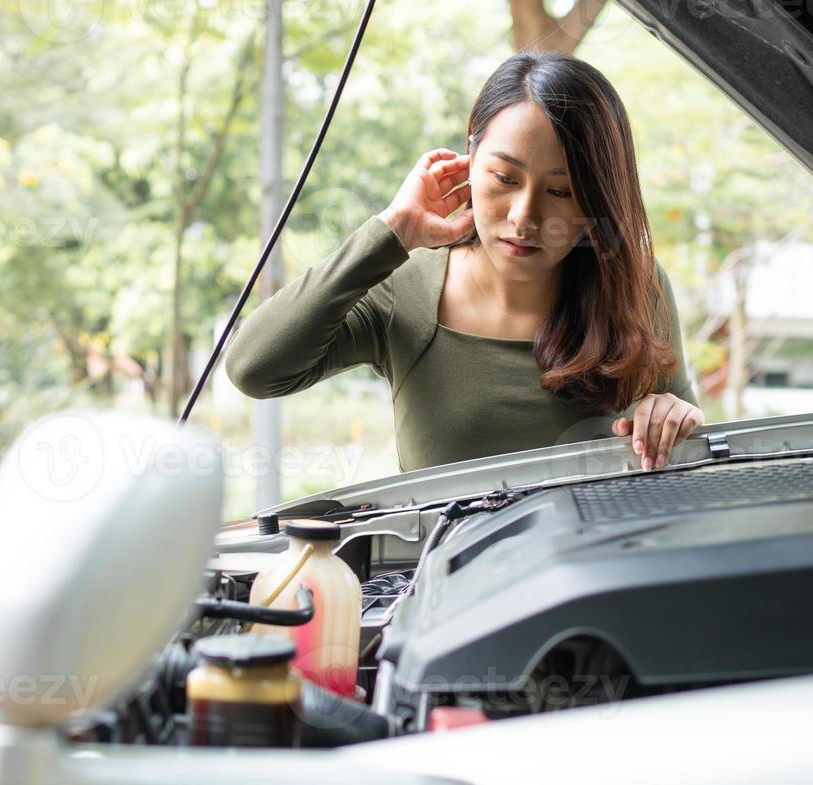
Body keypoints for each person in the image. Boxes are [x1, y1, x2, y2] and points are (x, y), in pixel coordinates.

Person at [225, 49, 704, 473]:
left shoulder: (636, 287)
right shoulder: (406, 286)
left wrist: (674, 416)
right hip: (442, 572)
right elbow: (255, 367)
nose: (525, 217)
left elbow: (684, 447)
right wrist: (391, 232)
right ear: (469, 158)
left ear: (599, 195)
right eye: (504, 177)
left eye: (561, 191)